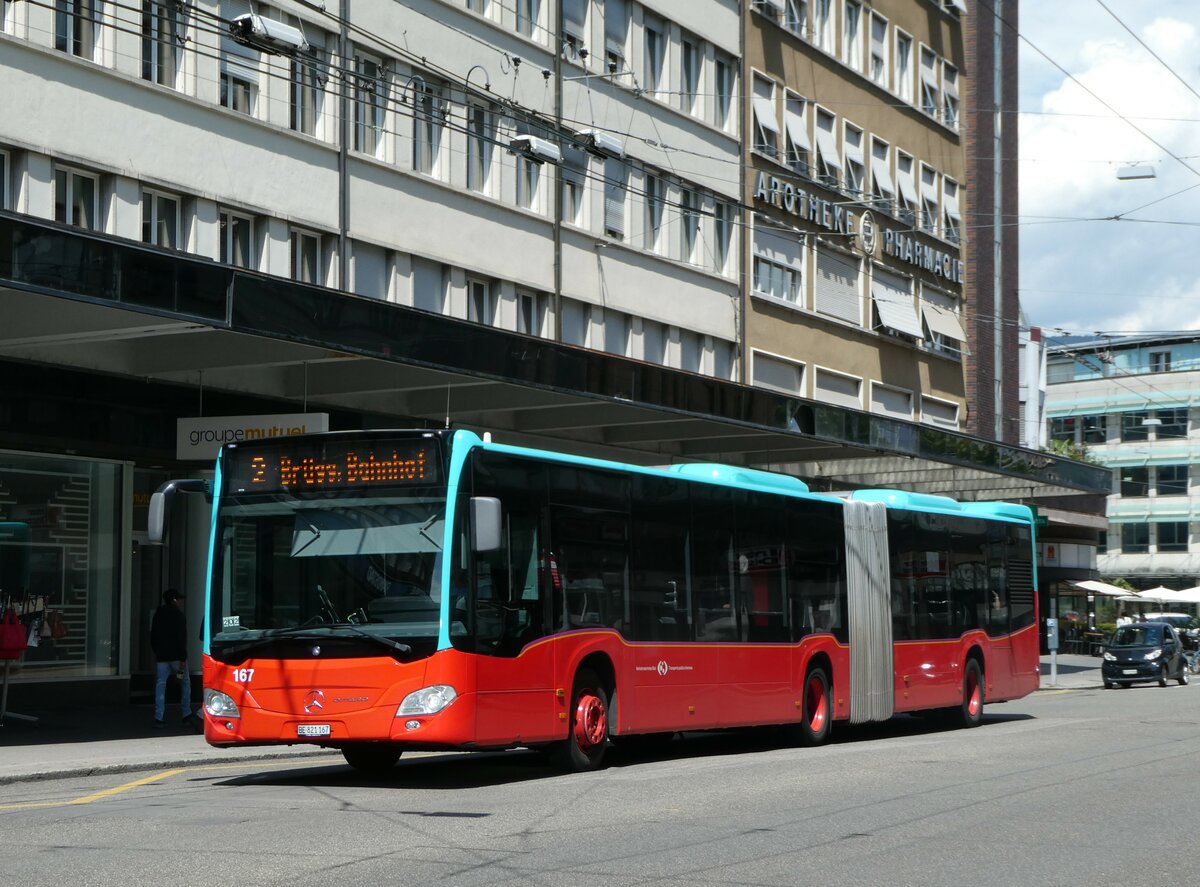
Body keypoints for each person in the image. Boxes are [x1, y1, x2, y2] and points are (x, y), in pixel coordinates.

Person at [151, 588, 194, 728]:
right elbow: (182, 638)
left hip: (162, 657)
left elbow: (153, 635)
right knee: (185, 683)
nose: (181, 602)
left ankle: (159, 716)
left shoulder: (158, 614)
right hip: (177, 657)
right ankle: (186, 714)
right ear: (174, 600)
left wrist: (157, 651)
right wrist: (183, 657)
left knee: (160, 684)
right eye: (179, 599)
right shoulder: (179, 616)